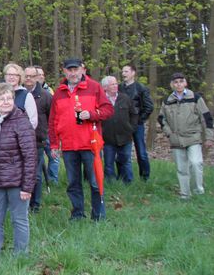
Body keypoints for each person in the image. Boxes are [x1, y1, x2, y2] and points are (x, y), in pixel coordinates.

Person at [49, 58, 113, 221]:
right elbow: (53, 120)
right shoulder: (59, 92)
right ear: (64, 71)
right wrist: (55, 144)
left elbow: (108, 110)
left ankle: (98, 215)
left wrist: (91, 115)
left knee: (95, 181)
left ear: (82, 69)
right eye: (69, 70)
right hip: (69, 146)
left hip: (91, 144)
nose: (73, 73)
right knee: (73, 183)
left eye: (76, 69)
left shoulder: (94, 87)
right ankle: (77, 214)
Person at [0, 84, 36, 262]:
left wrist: (27, 186)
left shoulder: (21, 121)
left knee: (19, 220)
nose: (5, 102)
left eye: (9, 98)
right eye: (1, 99)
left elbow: (30, 156)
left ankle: (21, 256)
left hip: (17, 182)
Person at [158, 72, 214, 199]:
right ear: (172, 85)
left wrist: (209, 137)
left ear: (185, 83)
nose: (178, 84)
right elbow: (161, 119)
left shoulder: (195, 97)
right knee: (181, 168)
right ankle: (185, 194)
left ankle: (198, 191)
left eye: (181, 81)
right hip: (176, 139)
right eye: (176, 82)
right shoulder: (167, 101)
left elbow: (206, 118)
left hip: (193, 137)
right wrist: (169, 133)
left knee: (195, 163)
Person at [100, 76, 139, 184]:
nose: (115, 86)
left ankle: (128, 182)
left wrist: (132, 128)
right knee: (108, 162)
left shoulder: (125, 98)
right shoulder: (100, 100)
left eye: (116, 84)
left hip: (125, 136)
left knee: (126, 160)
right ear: (105, 87)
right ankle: (111, 183)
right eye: (112, 84)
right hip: (107, 137)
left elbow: (134, 114)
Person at [120, 64, 155, 181]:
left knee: (141, 151)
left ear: (133, 73)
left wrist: (139, 120)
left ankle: (145, 177)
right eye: (123, 71)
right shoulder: (119, 88)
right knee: (122, 151)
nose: (123, 74)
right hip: (123, 124)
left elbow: (149, 106)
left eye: (126, 71)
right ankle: (122, 176)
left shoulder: (141, 88)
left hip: (137, 125)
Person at [25, 66, 52, 212]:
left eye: (31, 76)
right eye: (26, 76)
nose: (28, 78)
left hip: (37, 140)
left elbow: (51, 117)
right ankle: (23, 203)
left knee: (36, 174)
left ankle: (35, 205)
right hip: (20, 140)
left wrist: (46, 134)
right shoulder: (18, 94)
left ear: (37, 77)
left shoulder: (45, 95)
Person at [1, 63, 38, 129]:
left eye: (15, 75)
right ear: (5, 76)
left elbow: (33, 121)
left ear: (20, 77)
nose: (11, 77)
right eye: (9, 74)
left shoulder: (26, 95)